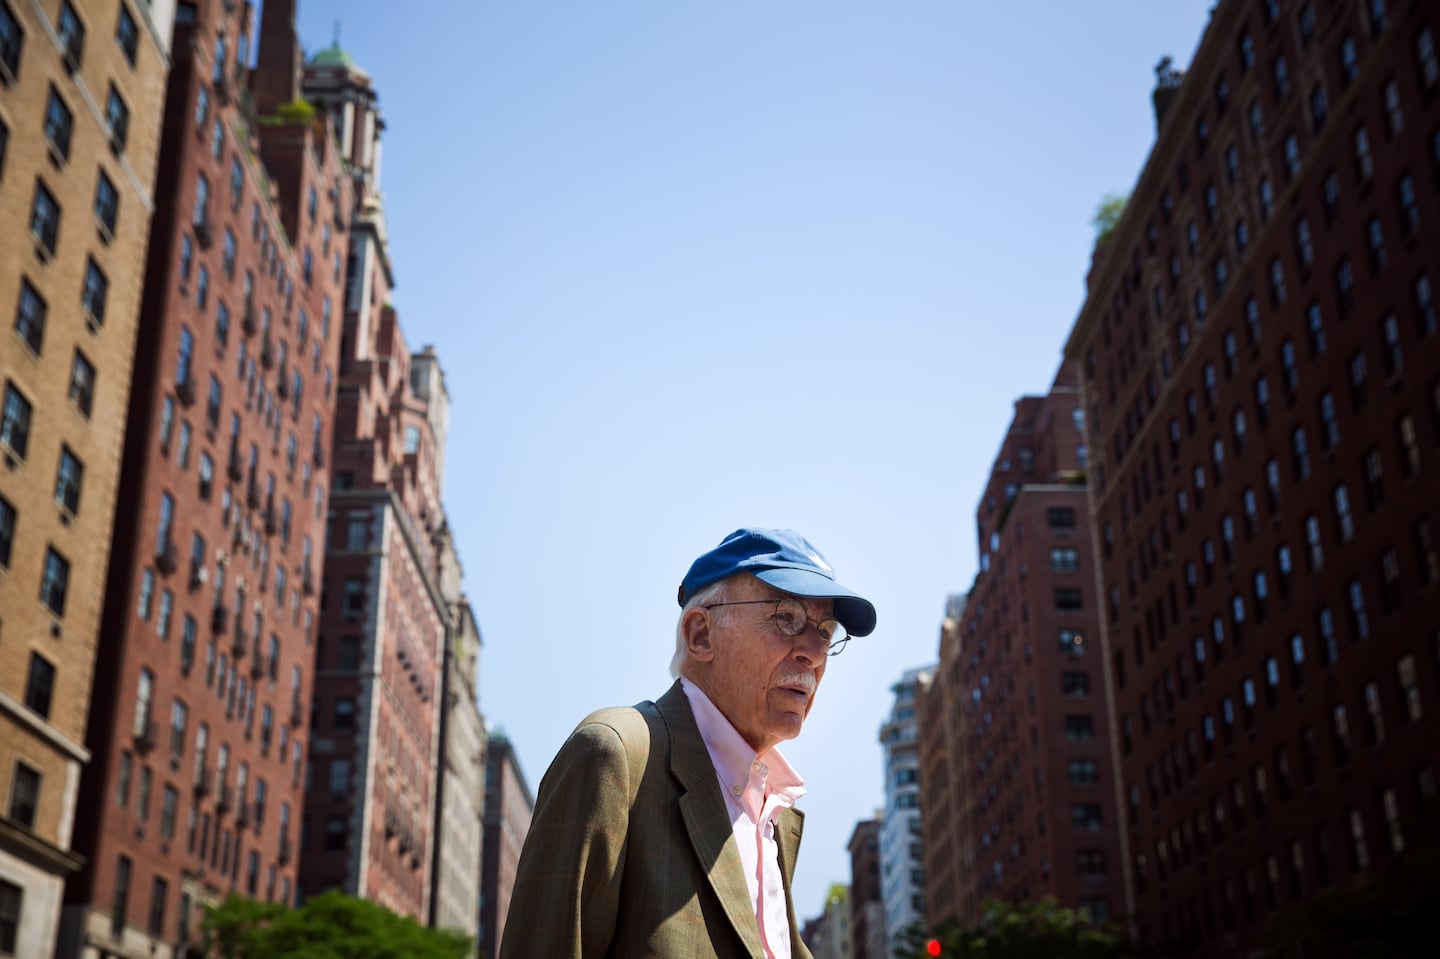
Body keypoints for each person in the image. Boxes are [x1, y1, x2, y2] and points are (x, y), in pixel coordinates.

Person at [499, 528, 877, 959]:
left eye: (826, 632)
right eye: (787, 617)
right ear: (700, 634)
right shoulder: (615, 756)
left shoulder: (771, 816)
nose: (813, 651)